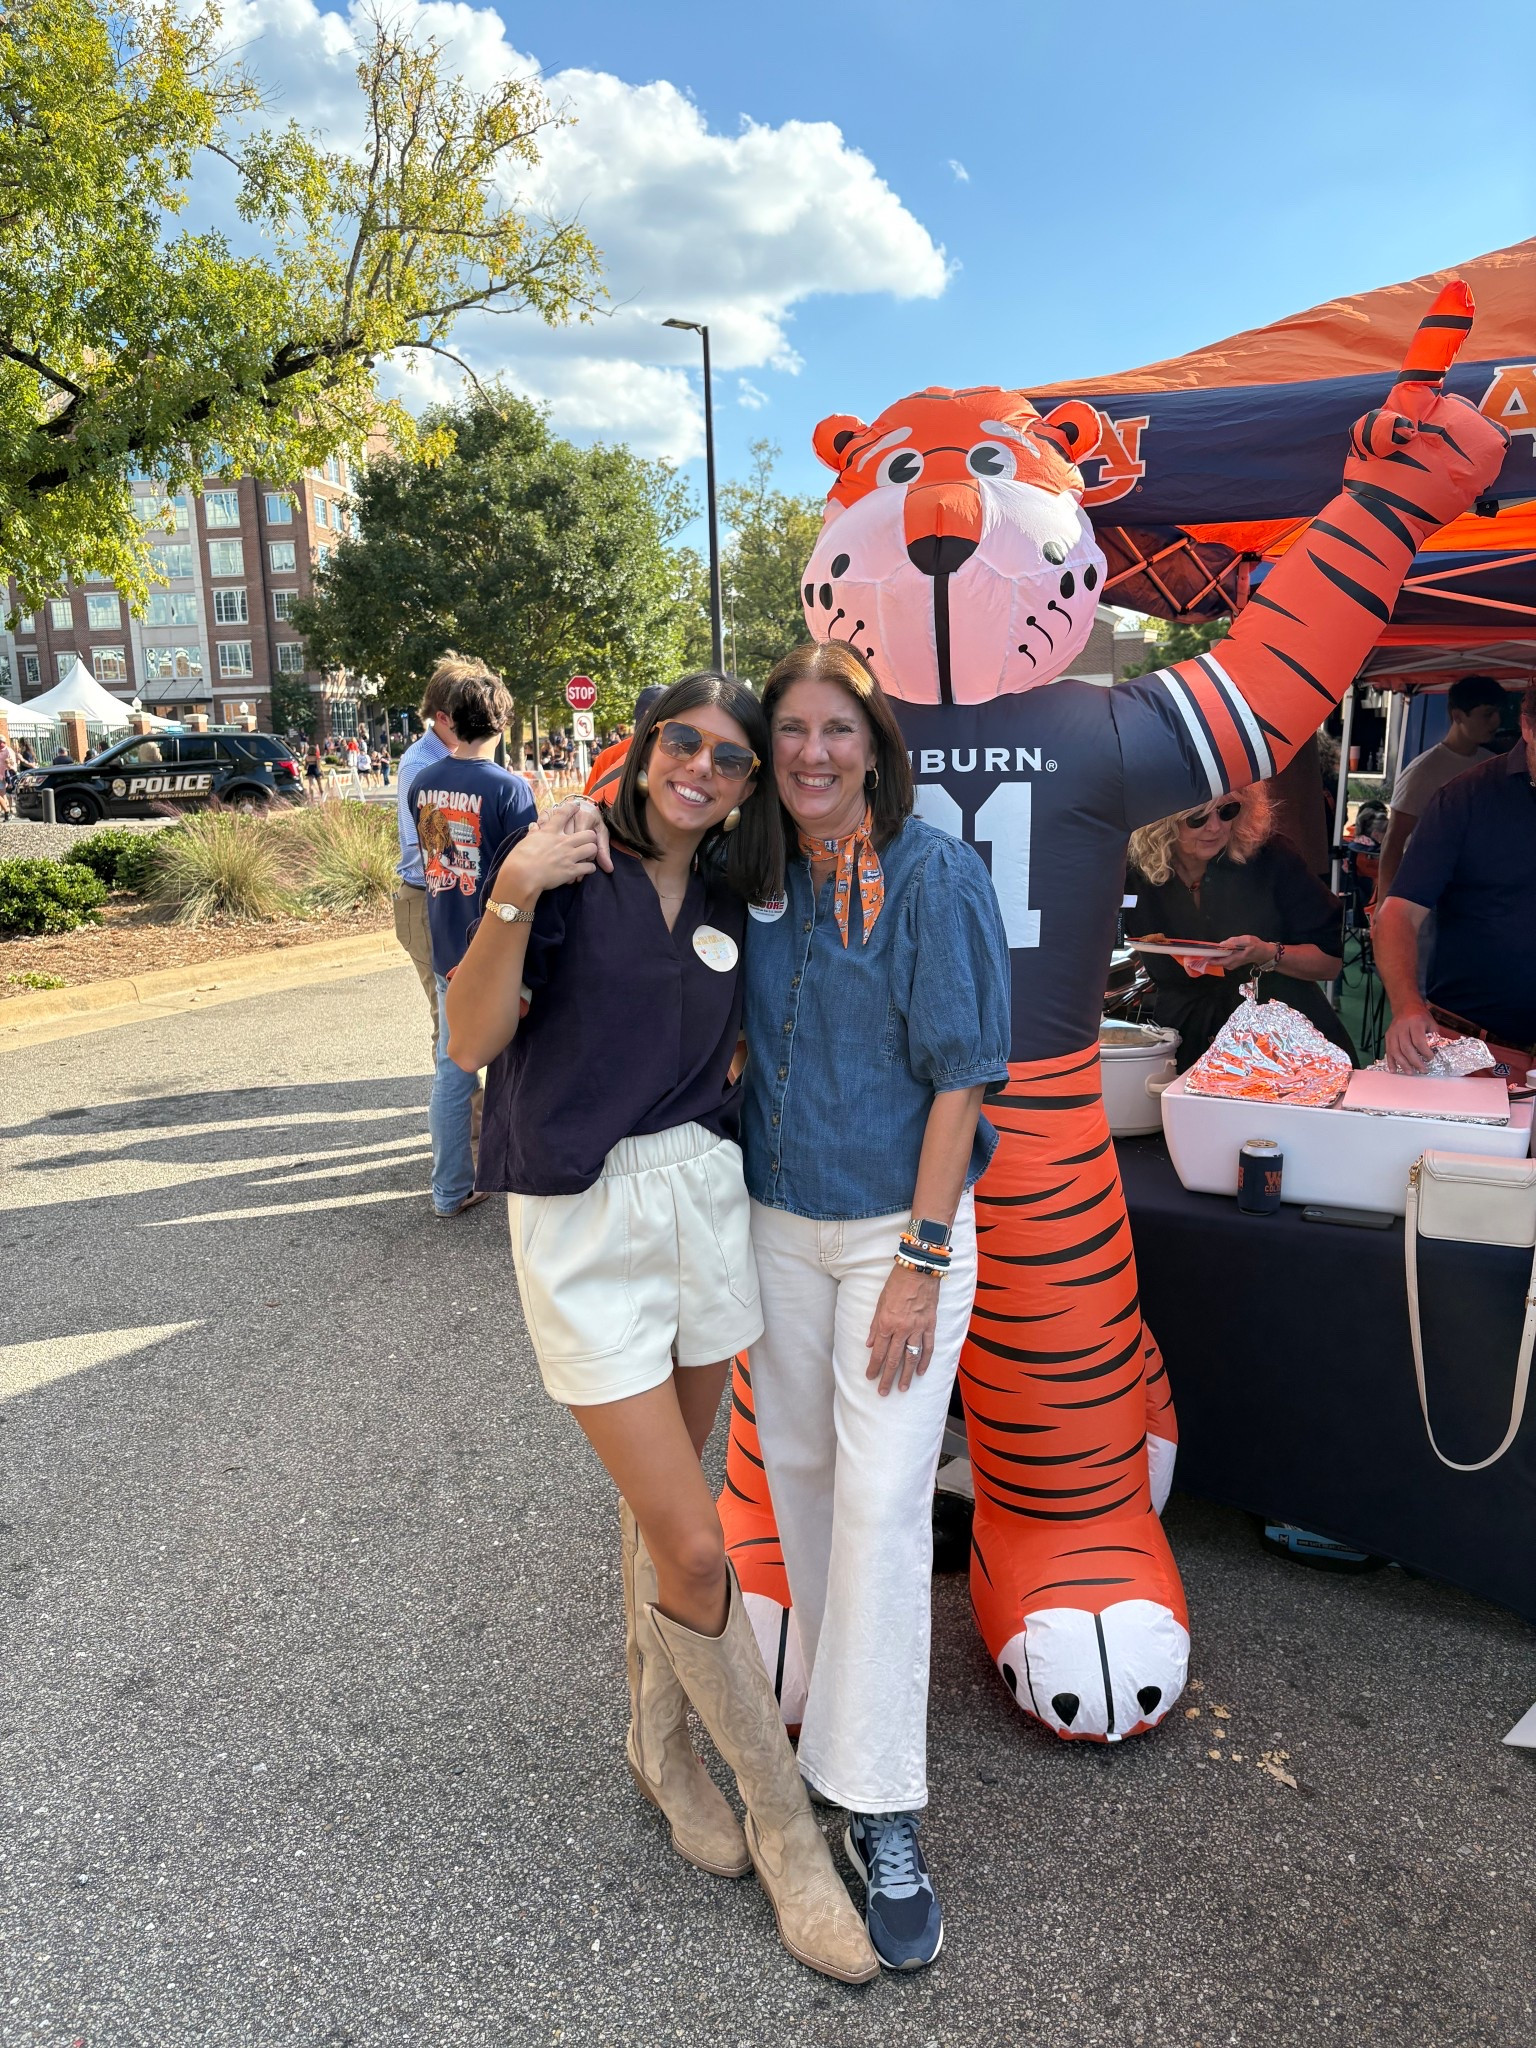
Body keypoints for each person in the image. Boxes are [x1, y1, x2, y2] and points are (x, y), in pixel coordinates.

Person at [448, 674, 877, 1984]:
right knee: (697, 1542)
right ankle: (786, 1828)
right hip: (583, 1222)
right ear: (640, 749)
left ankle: (657, 1742)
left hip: (702, 1199)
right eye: (681, 743)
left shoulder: (746, 895)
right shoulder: (565, 863)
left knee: (661, 1518)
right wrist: (513, 884)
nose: (702, 768)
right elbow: (470, 1038)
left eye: (730, 758)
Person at [736, 641, 1010, 1971]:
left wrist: (919, 1256)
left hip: (901, 1238)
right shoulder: (758, 872)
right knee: (801, 1479)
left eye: (837, 729)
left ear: (875, 743)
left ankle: (879, 1801)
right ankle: (821, 1726)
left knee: (891, 1499)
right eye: (790, 730)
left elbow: (962, 1077)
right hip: (774, 1226)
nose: (813, 754)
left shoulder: (933, 872)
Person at [409, 664, 536, 1219]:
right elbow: (527, 872)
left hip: (446, 943)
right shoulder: (510, 789)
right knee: (522, 1063)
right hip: (497, 946)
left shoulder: (422, 782)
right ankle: (526, 1174)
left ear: (450, 722)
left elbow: (438, 859)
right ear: (502, 721)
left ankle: (449, 1188)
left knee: (453, 1069)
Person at [1125, 782, 1356, 1070]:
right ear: (1161, 820)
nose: (1215, 827)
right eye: (1197, 817)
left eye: (1227, 811)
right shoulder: (1131, 869)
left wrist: (1267, 953)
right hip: (1182, 1039)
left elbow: (1330, 963)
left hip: (1280, 1043)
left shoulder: (1271, 857)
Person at [1377, 678, 1536, 1073]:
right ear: (1529, 727)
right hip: (1479, 1047)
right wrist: (1407, 1006)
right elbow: (1397, 914)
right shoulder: (1465, 797)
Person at [1377, 674, 1505, 897]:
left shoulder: (1491, 764)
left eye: (1497, 713)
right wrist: (1384, 904)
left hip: (1472, 896)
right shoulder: (1424, 771)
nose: (1496, 722)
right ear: (1457, 716)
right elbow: (1394, 840)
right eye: (1487, 714)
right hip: (1426, 895)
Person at [393, 672, 460, 1054]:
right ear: (444, 717)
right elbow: (436, 851)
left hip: (444, 898)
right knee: (451, 1028)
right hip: (428, 900)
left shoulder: (453, 756)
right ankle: (472, 1117)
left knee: (465, 1022)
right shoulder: (422, 767)